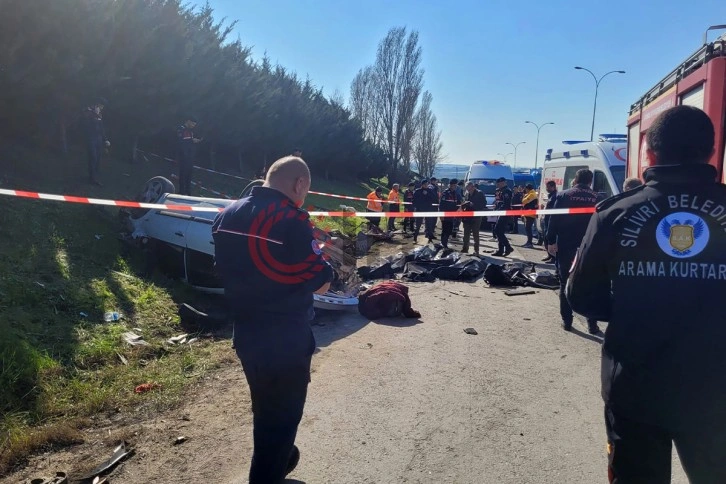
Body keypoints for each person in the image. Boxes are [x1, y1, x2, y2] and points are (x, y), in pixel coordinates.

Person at [567, 106, 726, 483]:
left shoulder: (614, 214)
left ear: (650, 155)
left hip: (637, 387)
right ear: (711, 152)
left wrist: (633, 308)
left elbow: (581, 296)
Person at [212, 156, 334, 484]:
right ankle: (268, 472)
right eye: (305, 190)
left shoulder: (226, 215)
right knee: (283, 418)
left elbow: (220, 268)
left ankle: (281, 460)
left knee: (265, 410)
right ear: (299, 185)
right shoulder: (292, 220)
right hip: (285, 338)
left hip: (246, 333)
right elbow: (321, 280)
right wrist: (325, 264)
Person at [546, 169, 600, 334]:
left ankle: (567, 321)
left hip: (566, 245)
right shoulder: (597, 198)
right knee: (590, 285)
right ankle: (592, 324)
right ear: (590, 182)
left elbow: (553, 220)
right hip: (590, 247)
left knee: (565, 283)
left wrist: (550, 241)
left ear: (575, 180)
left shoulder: (563, 196)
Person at [81, 97, 110, 186]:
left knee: (98, 158)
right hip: (91, 138)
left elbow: (101, 128)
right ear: (98, 104)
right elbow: (87, 125)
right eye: (101, 106)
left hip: (98, 139)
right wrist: (95, 115)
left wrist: (105, 139)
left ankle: (95, 175)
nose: (102, 108)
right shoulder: (88, 112)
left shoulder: (99, 115)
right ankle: (92, 178)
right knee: (93, 157)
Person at [177, 117, 202, 195]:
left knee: (189, 175)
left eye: (195, 125)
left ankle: (188, 191)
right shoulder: (181, 128)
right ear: (188, 121)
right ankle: (181, 191)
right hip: (183, 156)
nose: (193, 126)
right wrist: (192, 140)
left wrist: (197, 141)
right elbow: (180, 140)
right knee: (183, 174)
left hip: (190, 156)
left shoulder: (191, 132)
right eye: (192, 124)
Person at [461, 181, 486, 255]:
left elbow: (483, 203)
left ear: (473, 187)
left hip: (476, 216)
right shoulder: (467, 193)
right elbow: (465, 202)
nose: (468, 190)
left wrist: (474, 205)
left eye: (469, 188)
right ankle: (465, 248)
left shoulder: (479, 193)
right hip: (468, 216)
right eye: (467, 189)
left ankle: (476, 250)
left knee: (475, 233)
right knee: (466, 233)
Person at [491, 178, 514, 257]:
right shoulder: (499, 191)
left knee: (498, 231)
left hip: (504, 213)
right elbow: (497, 202)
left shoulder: (507, 191)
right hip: (499, 212)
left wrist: (499, 210)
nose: (497, 185)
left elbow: (506, 204)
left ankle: (508, 247)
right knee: (499, 231)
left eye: (499, 183)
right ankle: (500, 250)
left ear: (503, 183)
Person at [438, 179, 462, 249]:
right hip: (445, 214)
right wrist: (441, 214)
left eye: (456, 185)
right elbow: (441, 205)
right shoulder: (445, 193)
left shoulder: (455, 193)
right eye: (454, 185)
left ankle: (445, 242)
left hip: (452, 215)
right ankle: (443, 243)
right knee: (445, 229)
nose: (455, 187)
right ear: (451, 185)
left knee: (450, 229)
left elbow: (458, 202)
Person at [412, 179, 436, 243]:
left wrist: (427, 194)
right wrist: (416, 207)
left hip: (428, 210)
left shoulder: (430, 191)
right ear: (422, 185)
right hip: (419, 210)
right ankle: (415, 238)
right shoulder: (417, 191)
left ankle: (430, 239)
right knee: (418, 225)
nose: (426, 185)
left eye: (427, 184)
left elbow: (434, 198)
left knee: (429, 225)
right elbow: (413, 200)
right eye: (424, 184)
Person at [541, 180, 558, 262]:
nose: (547, 189)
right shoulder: (550, 196)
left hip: (551, 221)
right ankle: (549, 255)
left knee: (550, 239)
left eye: (548, 187)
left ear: (553, 187)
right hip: (546, 219)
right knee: (545, 238)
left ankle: (553, 257)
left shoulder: (555, 196)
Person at [521, 184, 539, 248]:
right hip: (528, 213)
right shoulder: (530, 194)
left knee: (528, 229)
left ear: (527, 188)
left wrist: (525, 197)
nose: (525, 190)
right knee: (527, 228)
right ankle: (528, 242)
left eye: (526, 189)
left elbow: (524, 201)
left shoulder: (532, 194)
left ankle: (530, 243)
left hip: (530, 214)